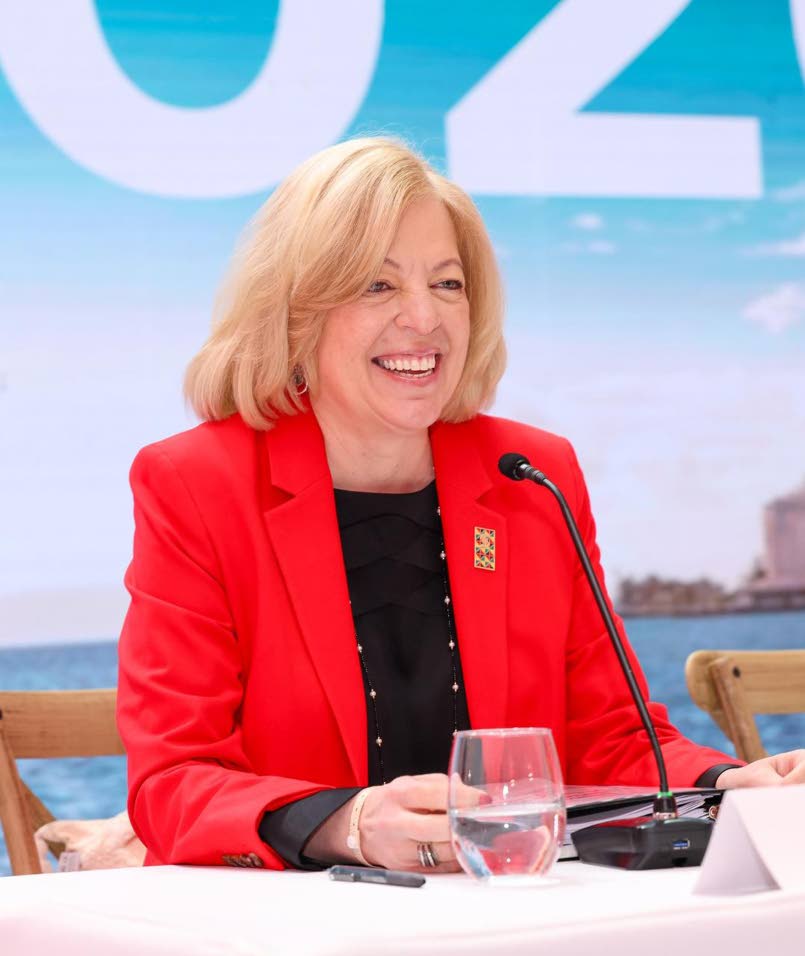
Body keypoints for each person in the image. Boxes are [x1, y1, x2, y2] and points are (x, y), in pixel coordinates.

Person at [116, 137, 805, 874]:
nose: (424, 317)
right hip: (288, 915)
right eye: (377, 286)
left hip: (506, 903)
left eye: (448, 284)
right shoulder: (197, 483)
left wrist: (729, 785)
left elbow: (610, 734)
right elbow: (173, 781)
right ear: (294, 312)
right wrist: (347, 824)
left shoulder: (530, 474)